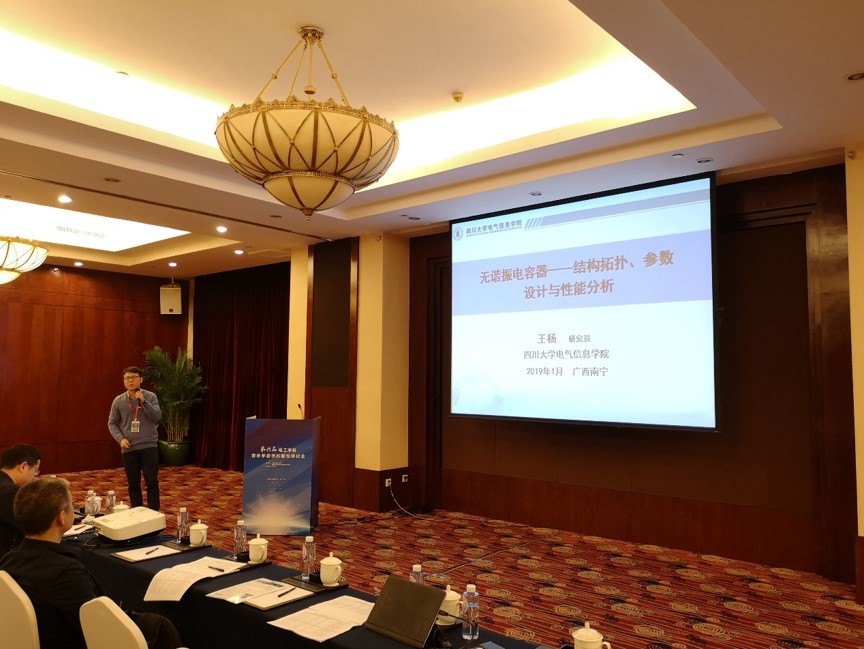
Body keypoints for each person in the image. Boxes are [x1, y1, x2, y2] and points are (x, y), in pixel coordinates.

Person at [0, 477, 182, 649]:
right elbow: (98, 628)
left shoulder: (8, 561)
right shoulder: (65, 573)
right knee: (159, 627)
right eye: (71, 505)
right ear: (61, 518)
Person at [107, 366, 162, 511]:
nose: (130, 380)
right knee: (133, 484)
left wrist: (144, 402)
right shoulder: (118, 401)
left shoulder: (150, 396)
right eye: (127, 378)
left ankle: (154, 514)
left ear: (141, 379)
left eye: (133, 377)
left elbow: (157, 416)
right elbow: (112, 423)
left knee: (152, 482)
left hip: (149, 447)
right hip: (129, 448)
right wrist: (120, 439)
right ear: (124, 381)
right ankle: (137, 513)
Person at [0, 443, 41, 556]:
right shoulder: (9, 492)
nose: (34, 477)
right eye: (35, 470)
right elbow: (30, 525)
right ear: (23, 466)